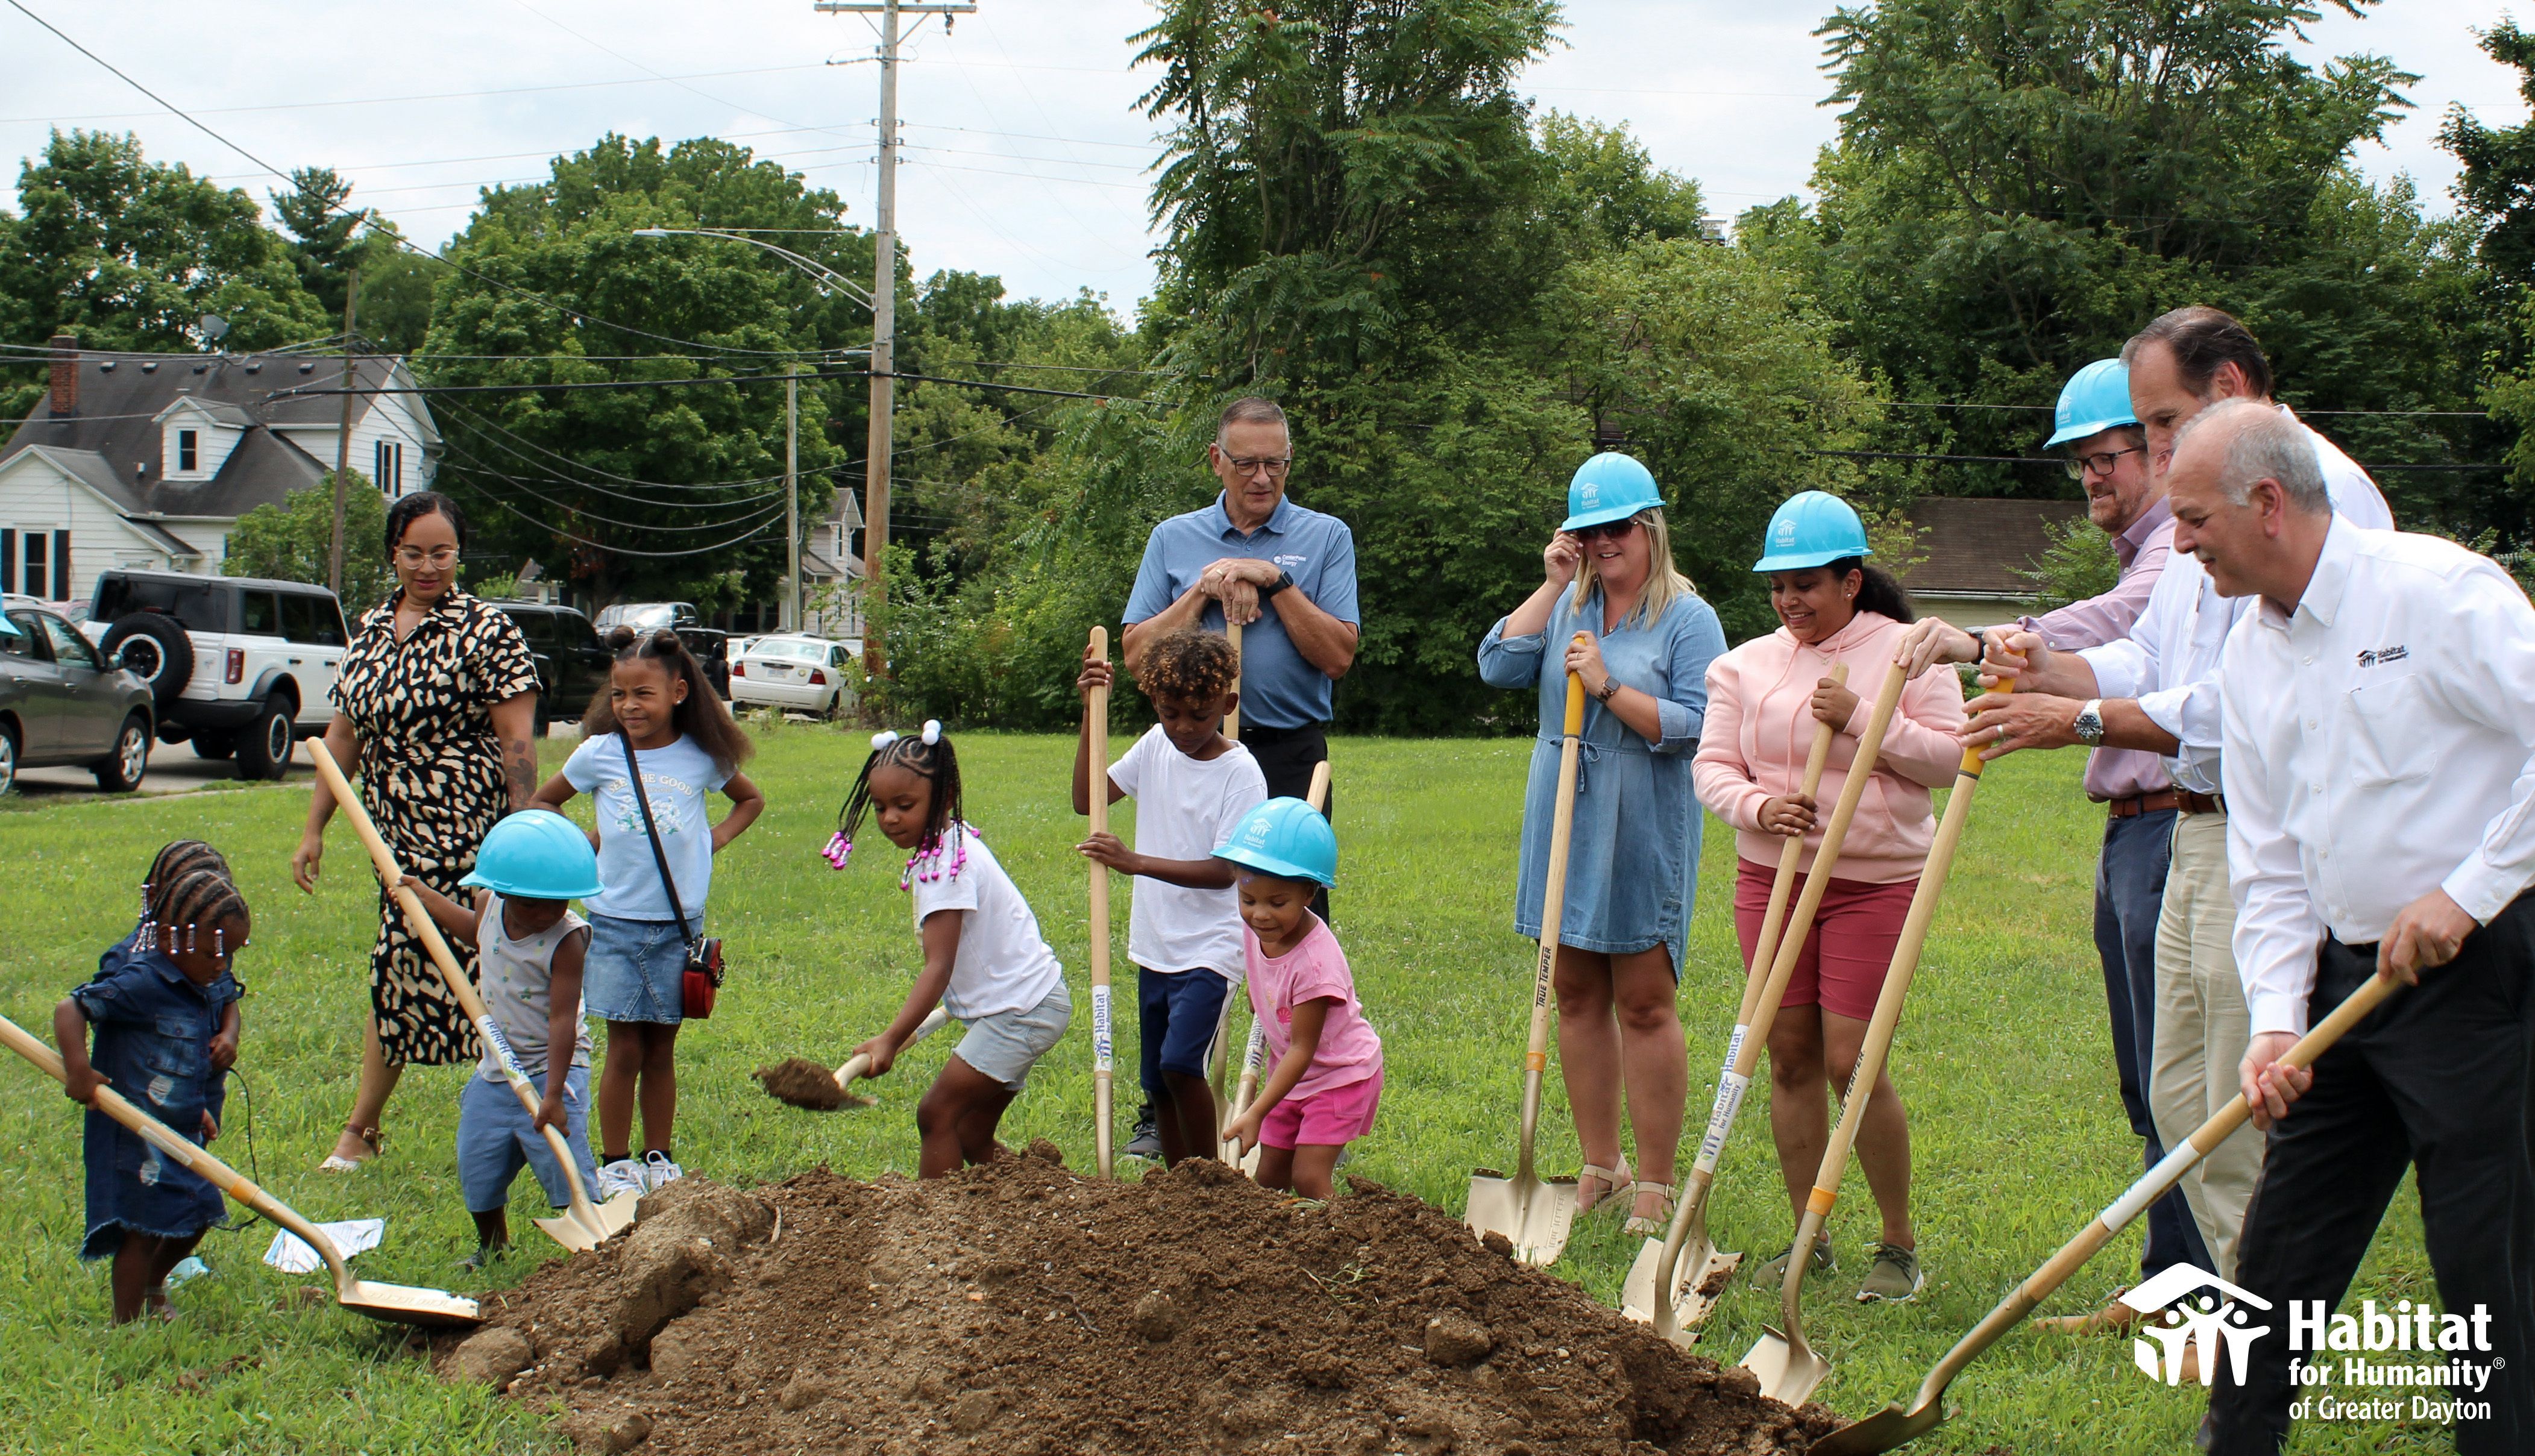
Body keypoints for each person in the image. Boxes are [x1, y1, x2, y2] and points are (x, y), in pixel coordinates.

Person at [1900, 307, 2393, 1302]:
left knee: (2234, 1104)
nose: (2157, 454)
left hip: (2273, 837)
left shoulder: (2314, 495)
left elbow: (2257, 706)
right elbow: (2157, 657)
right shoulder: (2196, 512)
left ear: (2234, 389)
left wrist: (2080, 723)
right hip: (2202, 837)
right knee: (2177, 1096)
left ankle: (2265, 1326)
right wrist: (2057, 666)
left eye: (2162, 424)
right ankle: (2231, 1304)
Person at [2172, 399, 2535, 1456]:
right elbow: (2272, 858)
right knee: (2283, 1249)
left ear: (2267, 504)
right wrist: (2278, 1021)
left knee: (2485, 1264)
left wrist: (2467, 891)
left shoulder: (2436, 594)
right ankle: (2234, 1444)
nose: (2180, 541)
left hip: (2480, 978)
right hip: (2343, 983)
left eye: (2194, 518)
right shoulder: (2249, 653)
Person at [1902, 358, 2216, 1314]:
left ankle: (2201, 1292)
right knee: (2153, 1077)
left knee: (2187, 1077)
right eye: (2079, 461)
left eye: (2109, 454)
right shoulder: (2150, 557)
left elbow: (2117, 629)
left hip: (2182, 824)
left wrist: (1990, 640)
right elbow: (2122, 645)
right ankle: (2175, 1277)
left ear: (2165, 446)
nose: (2092, 477)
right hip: (2136, 830)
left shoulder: (2184, 550)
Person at [1693, 490, 1967, 1302]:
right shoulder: (1742, 664)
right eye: (1777, 587)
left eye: (1806, 584)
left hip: (1869, 882)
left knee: (1851, 1061)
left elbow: (1948, 761)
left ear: (1852, 580)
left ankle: (1897, 1245)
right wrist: (1757, 807)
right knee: (1788, 1058)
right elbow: (1711, 767)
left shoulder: (1908, 653)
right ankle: (1806, 1238)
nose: (1788, 602)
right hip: (1771, 878)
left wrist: (1858, 721)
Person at [1475, 453, 1728, 1235]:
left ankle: (1654, 1179)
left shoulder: (1687, 618)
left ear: (1649, 528)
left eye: (1617, 527)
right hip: (1561, 808)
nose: (1603, 542)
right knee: (1573, 991)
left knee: (1644, 1000)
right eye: (1587, 531)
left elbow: (1700, 724)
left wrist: (1612, 686)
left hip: (1639, 814)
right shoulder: (1569, 604)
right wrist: (1552, 581)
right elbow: (1496, 664)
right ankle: (1599, 1163)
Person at [1119, 395, 1360, 1154]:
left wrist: (1274, 580)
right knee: (1184, 920)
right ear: (1216, 461)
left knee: (1284, 926)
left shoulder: (1324, 536)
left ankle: (1295, 1104)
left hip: (1287, 751)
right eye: (1248, 461)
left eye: (1277, 462)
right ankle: (1167, 1104)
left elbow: (1338, 654)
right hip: (1193, 750)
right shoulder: (1174, 539)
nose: (1263, 477)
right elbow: (1136, 656)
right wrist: (1208, 585)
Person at [294, 492, 541, 1172]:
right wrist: (315, 827)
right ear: (392, 555)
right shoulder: (370, 631)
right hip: (394, 835)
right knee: (396, 968)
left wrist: (522, 830)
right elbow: (342, 739)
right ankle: (363, 1128)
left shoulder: (488, 630)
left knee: (496, 975)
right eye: (413, 552)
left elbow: (516, 741)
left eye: (441, 552)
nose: (427, 566)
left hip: (470, 833)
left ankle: (532, 1109)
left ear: (459, 554)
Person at [533, 628, 763, 1200]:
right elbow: (544, 800)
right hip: (613, 922)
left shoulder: (700, 757)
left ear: (680, 692)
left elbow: (751, 799)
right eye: (619, 695)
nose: (629, 706)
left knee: (662, 1049)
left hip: (679, 927)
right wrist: (581, 846)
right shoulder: (600, 754)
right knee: (624, 1047)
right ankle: (616, 1164)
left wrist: (711, 841)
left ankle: (659, 1155)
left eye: (644, 695)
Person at [837, 723, 1074, 1178]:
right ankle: (1045, 1204)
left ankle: (933, 1228)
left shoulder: (947, 867)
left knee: (937, 1114)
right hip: (1031, 1002)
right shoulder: (947, 844)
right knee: (969, 1131)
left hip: (1022, 1010)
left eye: (905, 806)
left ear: (943, 797)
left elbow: (939, 967)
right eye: (881, 806)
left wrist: (889, 1038)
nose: (889, 818)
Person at [1073, 627, 1268, 1166]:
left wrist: (1134, 862)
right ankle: (1178, 1184)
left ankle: (1207, 1182)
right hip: (1155, 943)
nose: (1183, 728)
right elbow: (1087, 797)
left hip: (1212, 947)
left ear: (1226, 705)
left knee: (1182, 1063)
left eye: (1199, 716)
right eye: (1169, 713)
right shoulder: (1156, 745)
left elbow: (1225, 871)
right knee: (1157, 1079)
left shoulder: (1241, 774)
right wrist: (1094, 710)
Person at [389, 809, 602, 1270]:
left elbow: (564, 1019)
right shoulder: (489, 904)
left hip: (554, 1069)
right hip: (497, 1069)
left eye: (558, 903)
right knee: (478, 1162)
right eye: (532, 904)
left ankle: (597, 1247)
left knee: (565, 1166)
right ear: (503, 891)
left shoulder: (568, 939)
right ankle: (493, 1246)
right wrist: (424, 896)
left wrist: (553, 1095)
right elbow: (473, 933)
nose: (546, 914)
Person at [54, 853, 248, 1323]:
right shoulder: (141, 980)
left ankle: (153, 1286)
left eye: (231, 954)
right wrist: (79, 1072)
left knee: (200, 1214)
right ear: (168, 938)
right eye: (212, 954)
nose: (222, 965)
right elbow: (71, 1008)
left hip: (181, 1123)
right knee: (140, 1229)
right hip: (136, 1132)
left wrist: (197, 1105)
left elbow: (188, 1057)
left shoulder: (202, 981)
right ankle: (126, 1322)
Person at [1216, 798, 1383, 1200]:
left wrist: (1255, 1110)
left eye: (1278, 903)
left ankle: (1341, 1244)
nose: (1260, 916)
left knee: (1308, 1178)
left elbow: (1303, 1048)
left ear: (1309, 892)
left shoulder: (1315, 965)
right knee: (1270, 1177)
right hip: (1294, 1074)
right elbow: (1268, 985)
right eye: (1248, 899)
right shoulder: (1260, 929)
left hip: (1339, 1076)